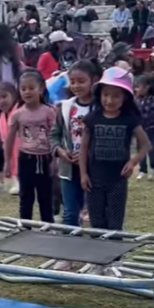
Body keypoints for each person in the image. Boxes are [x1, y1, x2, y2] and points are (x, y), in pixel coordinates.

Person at [80, 67, 150, 230]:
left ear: (125, 98)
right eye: (106, 95)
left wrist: (133, 162)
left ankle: (115, 256)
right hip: (94, 180)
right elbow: (83, 149)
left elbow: (146, 144)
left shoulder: (129, 119)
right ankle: (98, 255)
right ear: (100, 95)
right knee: (96, 222)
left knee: (115, 223)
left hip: (118, 180)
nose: (110, 100)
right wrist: (83, 174)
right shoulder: (92, 118)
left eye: (116, 96)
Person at [51, 59, 102, 226]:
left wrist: (88, 154)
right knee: (70, 213)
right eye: (72, 82)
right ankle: (69, 248)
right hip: (68, 168)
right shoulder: (65, 107)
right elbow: (54, 135)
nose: (76, 86)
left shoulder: (100, 108)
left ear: (93, 80)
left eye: (81, 81)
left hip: (94, 168)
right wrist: (61, 151)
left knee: (95, 212)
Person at [5, 70, 58, 223]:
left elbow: (54, 136)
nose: (27, 92)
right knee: (26, 197)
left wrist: (55, 160)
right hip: (26, 159)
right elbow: (9, 139)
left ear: (41, 89)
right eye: (23, 89)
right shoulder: (17, 114)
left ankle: (48, 227)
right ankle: (24, 228)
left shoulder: (49, 112)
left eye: (31, 88)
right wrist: (8, 161)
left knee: (45, 197)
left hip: (45, 159)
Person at [135, 77, 154, 180]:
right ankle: (143, 170)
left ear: (147, 87)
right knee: (140, 149)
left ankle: (153, 168)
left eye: (139, 87)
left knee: (150, 147)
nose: (137, 89)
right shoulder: (136, 101)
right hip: (139, 128)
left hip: (151, 127)